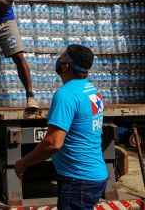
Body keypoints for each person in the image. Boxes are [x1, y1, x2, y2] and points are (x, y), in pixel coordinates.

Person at [14, 44, 108, 210]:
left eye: (62, 57)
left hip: (78, 179)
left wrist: (24, 162)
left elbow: (53, 143)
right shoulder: (92, 91)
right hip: (95, 174)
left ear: (66, 66)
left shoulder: (66, 94)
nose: (58, 60)